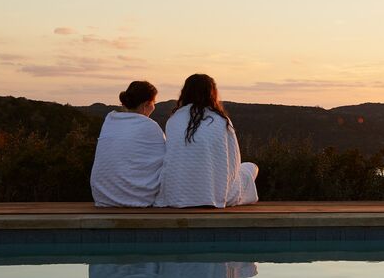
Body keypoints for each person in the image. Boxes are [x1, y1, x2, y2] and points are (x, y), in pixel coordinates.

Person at [157, 74, 259, 208]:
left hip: (176, 194)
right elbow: (234, 163)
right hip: (214, 195)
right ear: (212, 93)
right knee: (251, 167)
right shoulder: (222, 120)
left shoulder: (174, 120)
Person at [89, 80, 165, 208]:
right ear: (146, 104)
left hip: (103, 197)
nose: (154, 106)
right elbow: (168, 159)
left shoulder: (110, 120)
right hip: (137, 199)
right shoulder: (150, 126)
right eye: (154, 103)